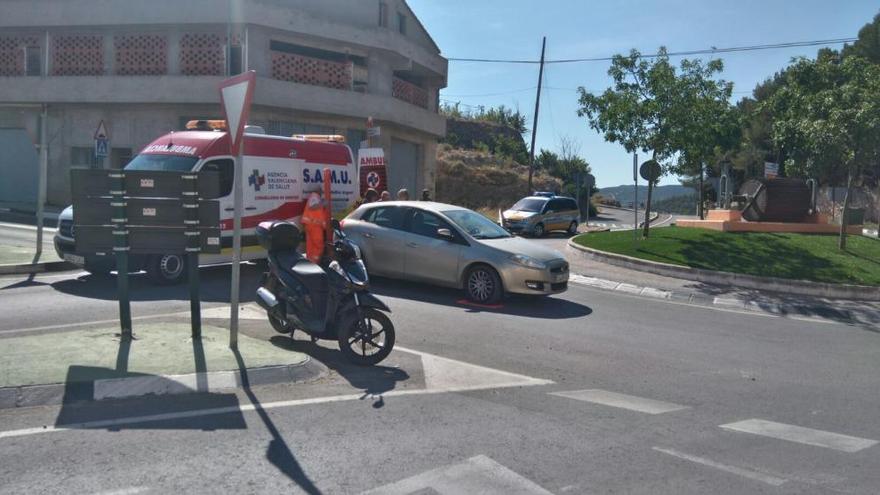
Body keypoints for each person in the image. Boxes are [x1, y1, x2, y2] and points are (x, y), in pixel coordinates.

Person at [300, 188, 328, 264]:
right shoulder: (315, 196)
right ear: (318, 191)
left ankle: (310, 261)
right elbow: (312, 207)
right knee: (318, 245)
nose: (322, 193)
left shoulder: (315, 197)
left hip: (311, 225)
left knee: (311, 245)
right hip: (315, 226)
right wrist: (323, 204)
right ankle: (315, 262)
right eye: (321, 191)